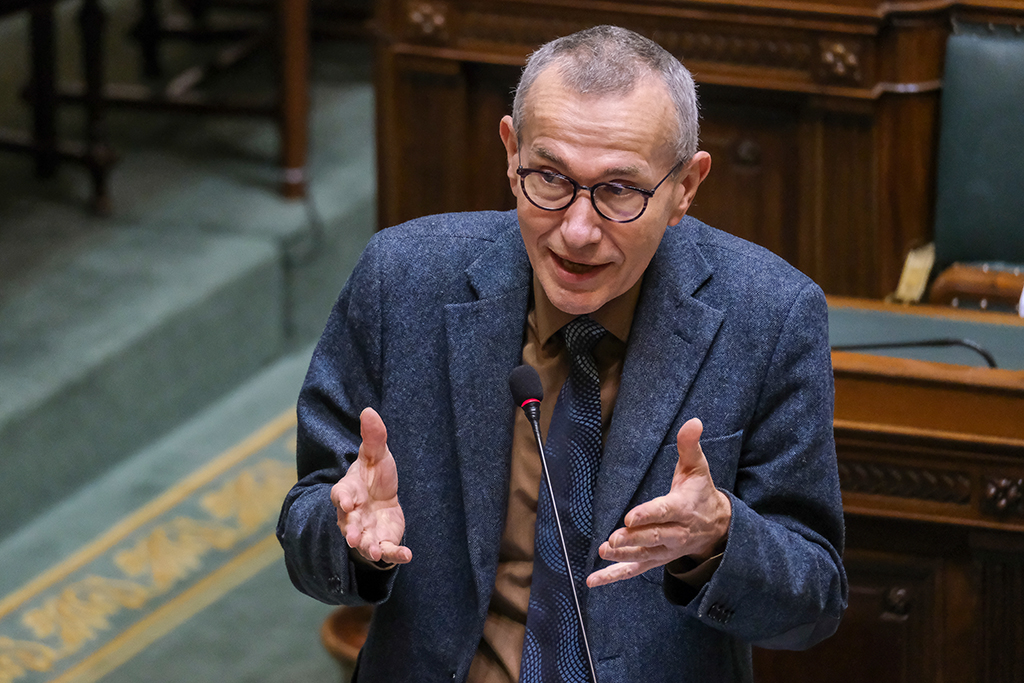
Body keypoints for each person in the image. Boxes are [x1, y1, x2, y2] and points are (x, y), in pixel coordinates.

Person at [277, 24, 847, 683]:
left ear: (686, 187)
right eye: (549, 178)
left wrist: (720, 541)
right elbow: (308, 526)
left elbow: (814, 601)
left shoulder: (770, 315)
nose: (576, 232)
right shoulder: (401, 280)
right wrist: (349, 538)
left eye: (619, 192)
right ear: (509, 151)